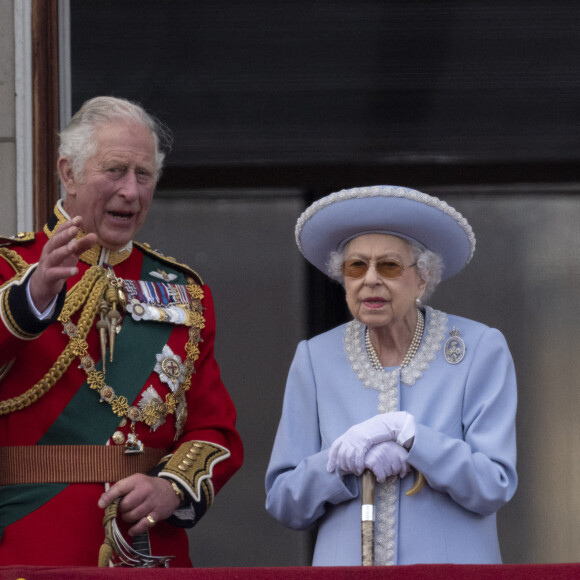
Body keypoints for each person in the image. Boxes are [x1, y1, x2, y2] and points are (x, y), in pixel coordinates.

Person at [0, 96, 243, 567]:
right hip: (30, 546)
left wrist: (170, 487)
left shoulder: (183, 293)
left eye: (144, 174)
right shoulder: (12, 268)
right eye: (115, 171)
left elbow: (215, 430)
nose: (130, 192)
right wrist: (34, 297)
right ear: (68, 174)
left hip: (148, 551)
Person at [265, 185, 517, 566]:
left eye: (389, 266)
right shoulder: (315, 358)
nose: (370, 280)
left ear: (423, 279)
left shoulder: (479, 349)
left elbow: (493, 485)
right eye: (356, 267)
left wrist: (415, 438)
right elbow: (284, 501)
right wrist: (339, 463)